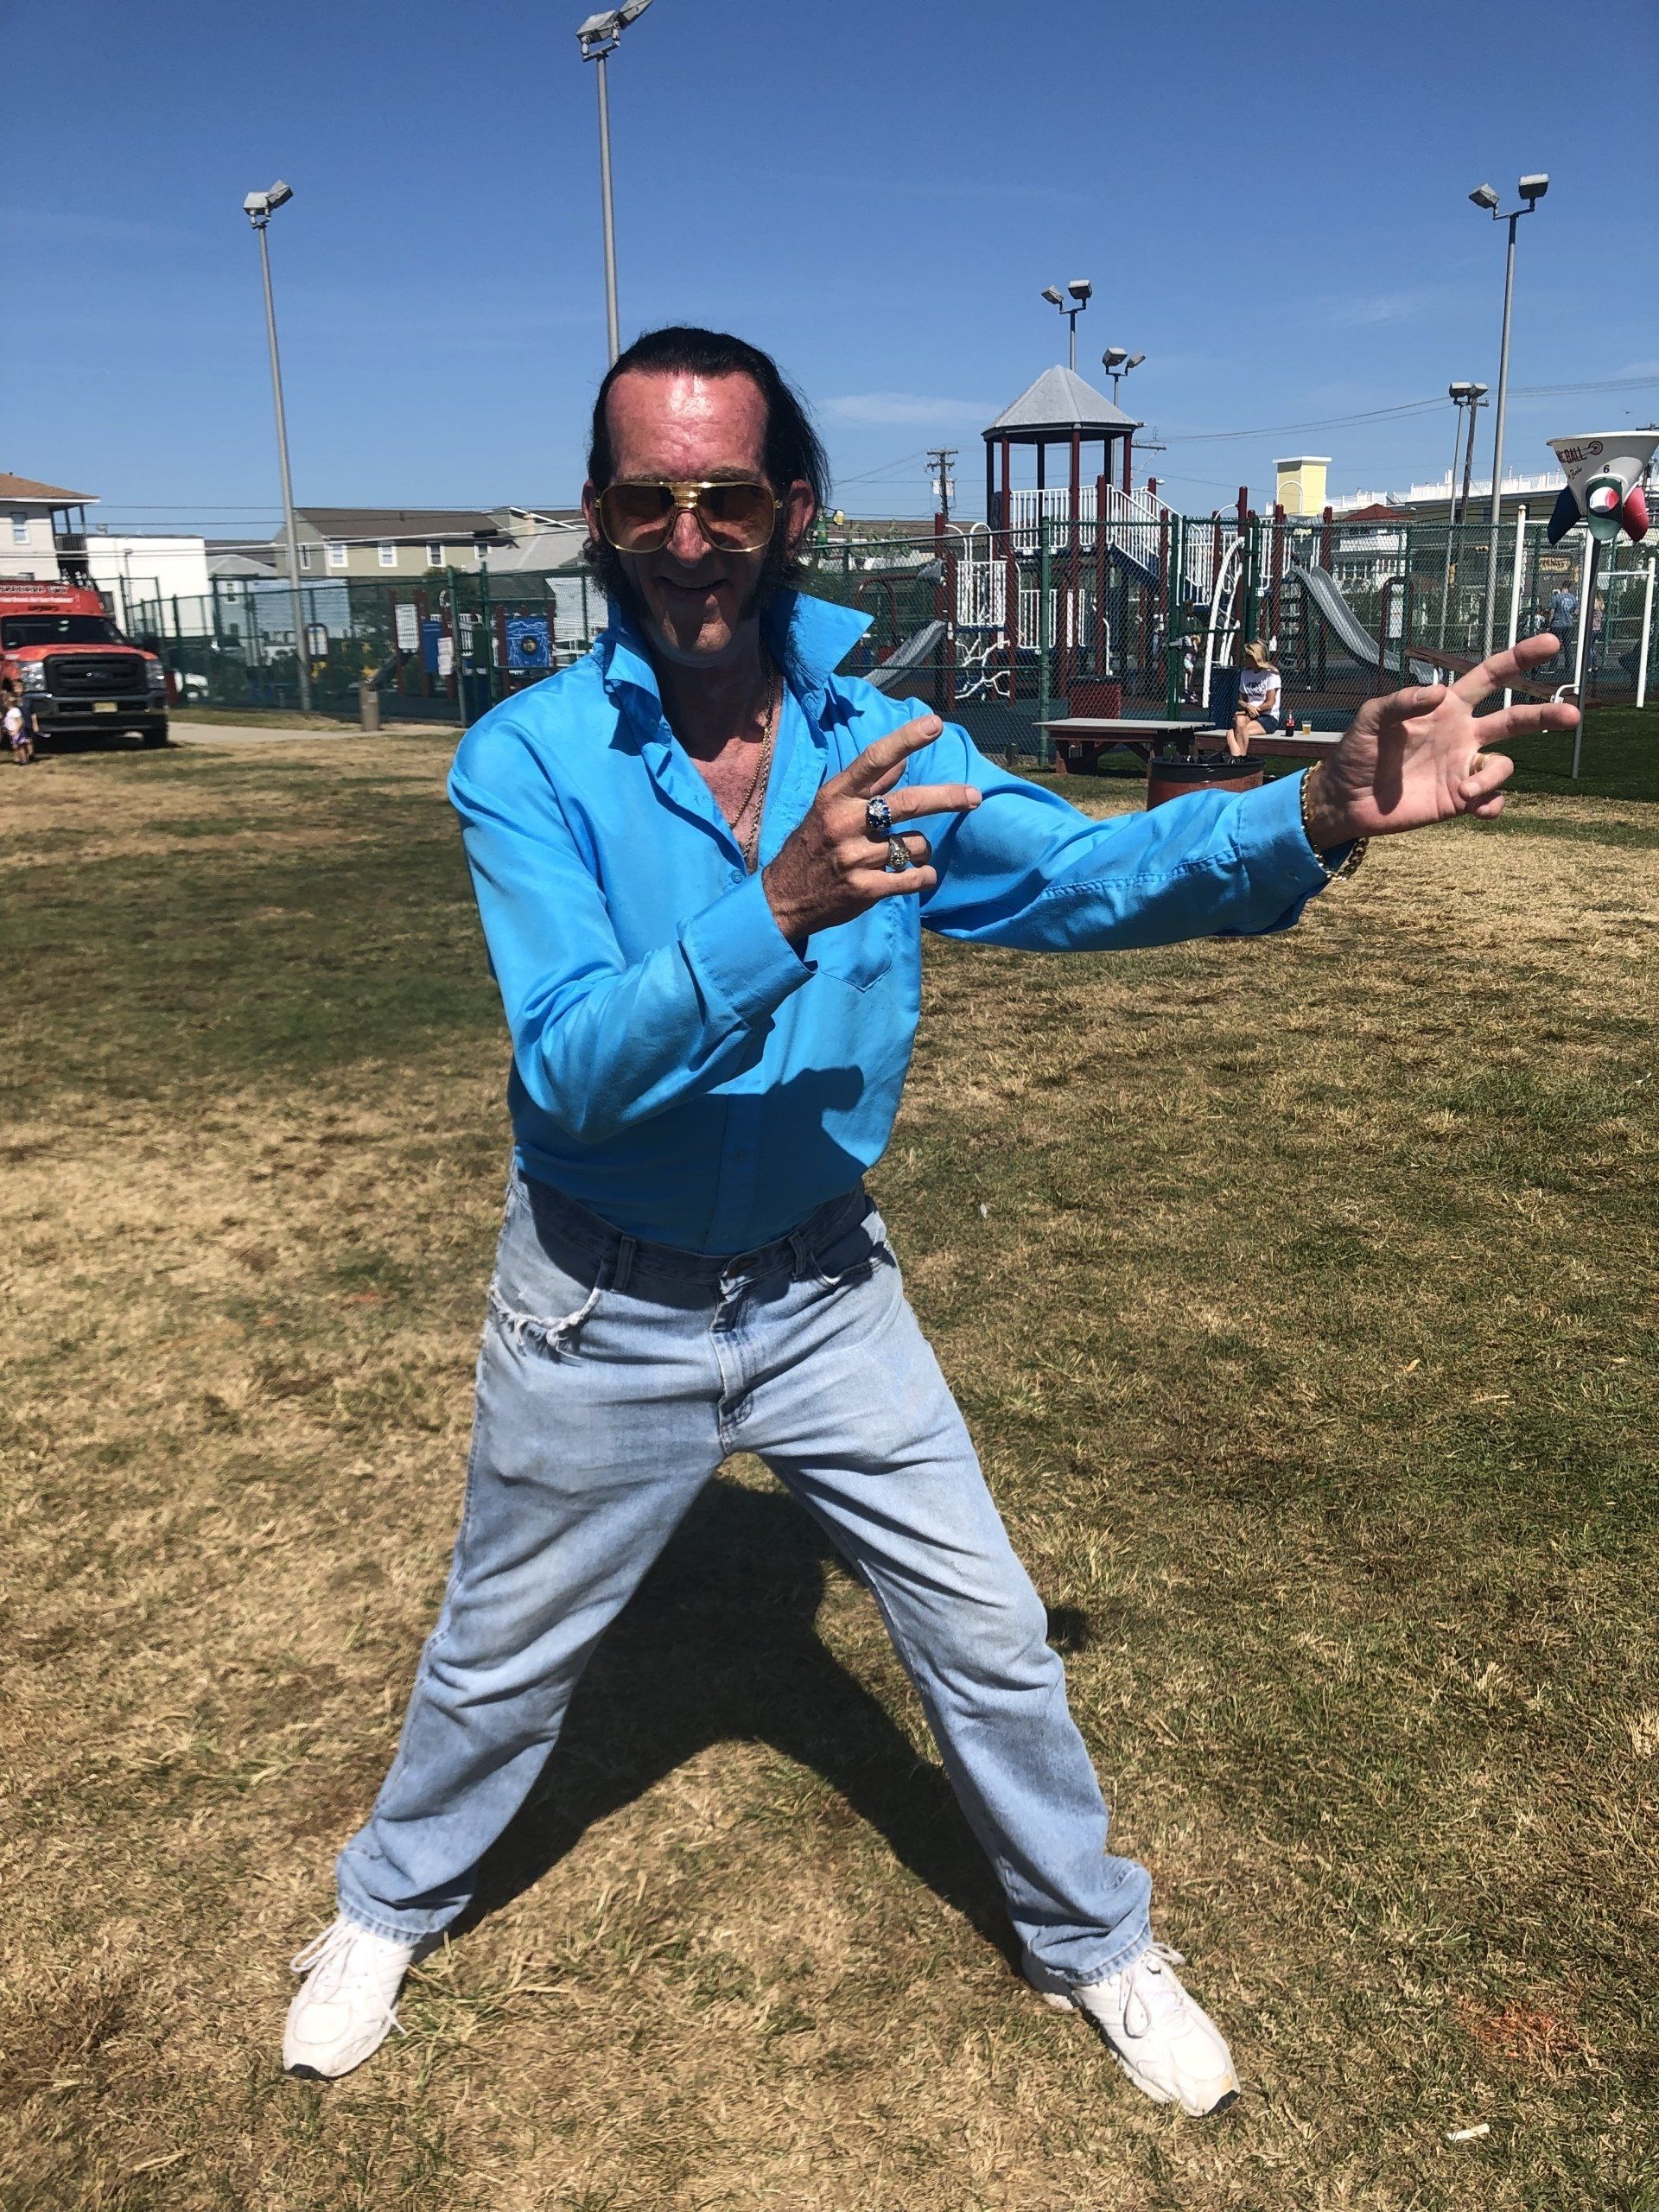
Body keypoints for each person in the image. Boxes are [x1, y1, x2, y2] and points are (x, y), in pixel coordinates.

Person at [281, 326, 1576, 2113]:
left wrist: (1314, 812)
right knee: (502, 1654)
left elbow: (1077, 874)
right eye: (647, 495)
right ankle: (384, 1905)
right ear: (596, 513)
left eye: (723, 491)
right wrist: (776, 907)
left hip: (822, 1291)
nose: (686, 533)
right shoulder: (525, 760)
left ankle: (1097, 1937)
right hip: (601, 1305)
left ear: (789, 504)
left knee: (985, 1631)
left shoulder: (886, 738)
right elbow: (571, 1075)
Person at [1227, 639, 1281, 756]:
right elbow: (1240, 701)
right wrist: (1248, 706)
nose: (1243, 658)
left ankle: (1239, 761)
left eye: (1247, 656)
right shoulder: (1245, 674)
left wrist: (1255, 709)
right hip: (1250, 714)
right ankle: (1240, 762)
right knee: (1240, 722)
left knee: (1232, 734)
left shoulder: (1271, 673)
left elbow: (1270, 703)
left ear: (1255, 657)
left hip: (1268, 717)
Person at [3, 683, 33, 766]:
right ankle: (19, 759)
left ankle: (24, 760)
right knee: (15, 746)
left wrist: (16, 730)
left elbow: (20, 722)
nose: (4, 704)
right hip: (12, 732)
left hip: (18, 732)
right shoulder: (9, 712)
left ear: (8, 703)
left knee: (20, 746)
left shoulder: (15, 711)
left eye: (5, 702)